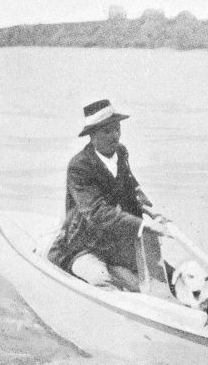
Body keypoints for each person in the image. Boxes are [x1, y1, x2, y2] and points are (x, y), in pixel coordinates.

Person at [48, 99, 169, 292]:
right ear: (92, 136)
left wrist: (152, 210)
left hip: (114, 242)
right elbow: (97, 213)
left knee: (164, 273)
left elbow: (131, 185)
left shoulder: (120, 153)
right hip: (83, 244)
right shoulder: (79, 167)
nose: (115, 136)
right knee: (100, 280)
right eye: (107, 131)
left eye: (117, 129)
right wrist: (142, 224)